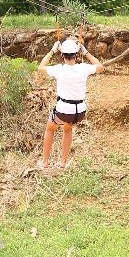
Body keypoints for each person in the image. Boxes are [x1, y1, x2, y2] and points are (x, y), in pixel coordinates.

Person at [36, 36, 104, 169]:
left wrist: (52, 51)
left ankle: (45, 162)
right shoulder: (83, 68)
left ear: (62, 55)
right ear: (76, 55)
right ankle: (62, 162)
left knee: (50, 129)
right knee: (67, 129)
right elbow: (100, 66)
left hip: (64, 110)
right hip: (80, 112)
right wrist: (86, 52)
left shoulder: (59, 69)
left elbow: (41, 67)